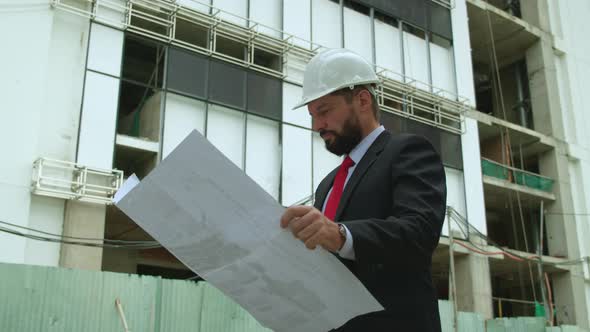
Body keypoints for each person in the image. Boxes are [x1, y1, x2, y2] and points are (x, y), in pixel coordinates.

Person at [279, 49, 447, 331]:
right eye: (312, 115)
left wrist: (340, 234)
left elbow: (419, 232)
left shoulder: (407, 151)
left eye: (324, 111)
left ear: (362, 100)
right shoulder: (328, 184)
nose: (317, 125)